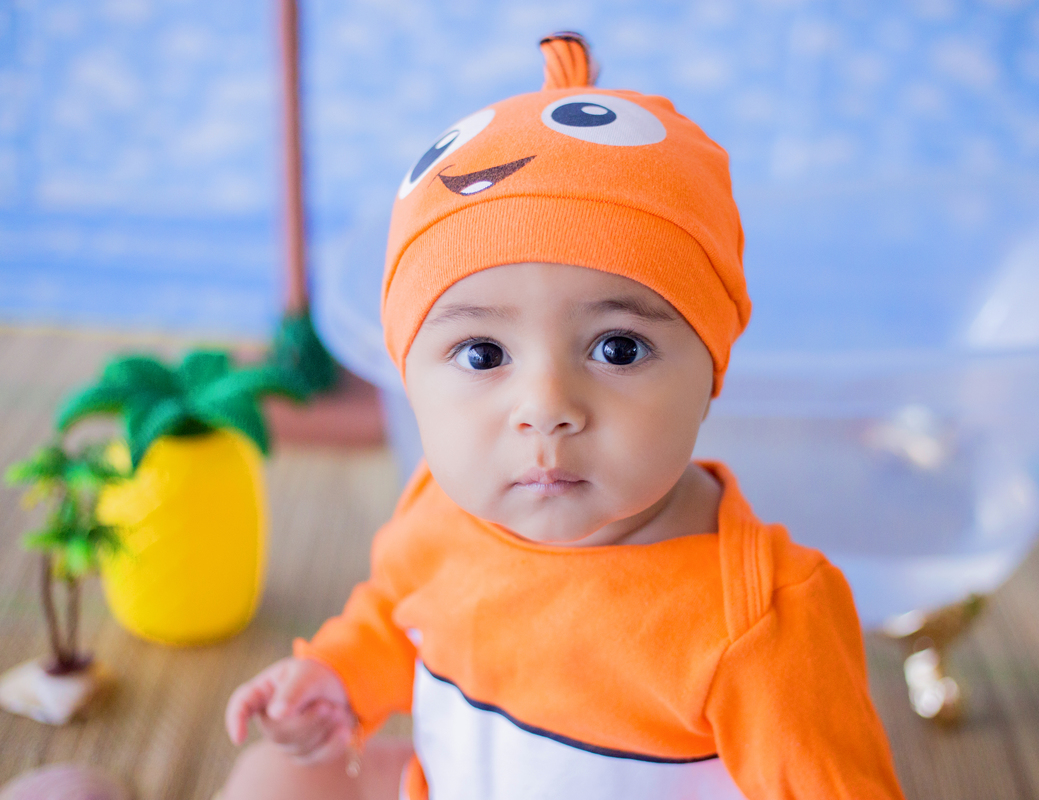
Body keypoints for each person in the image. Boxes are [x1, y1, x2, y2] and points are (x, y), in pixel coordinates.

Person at [221, 32, 905, 800]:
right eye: (482, 355)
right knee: (271, 778)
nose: (547, 409)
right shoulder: (440, 511)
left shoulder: (760, 622)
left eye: (617, 348)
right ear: (408, 377)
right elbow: (395, 614)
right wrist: (339, 676)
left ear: (712, 367)